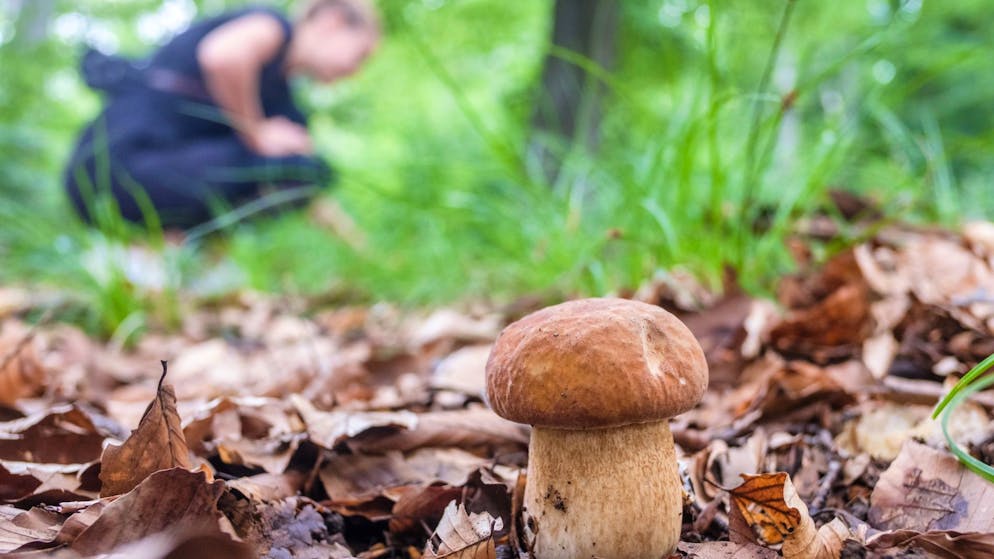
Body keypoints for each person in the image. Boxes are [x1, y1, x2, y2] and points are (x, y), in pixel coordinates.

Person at [64, 0, 379, 231]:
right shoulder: (272, 27)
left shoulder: (283, 108)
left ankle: (176, 255)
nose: (355, 71)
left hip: (161, 177)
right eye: (360, 54)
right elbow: (223, 56)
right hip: (112, 165)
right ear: (333, 21)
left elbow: (307, 185)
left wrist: (367, 254)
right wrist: (255, 132)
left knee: (307, 170)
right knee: (296, 167)